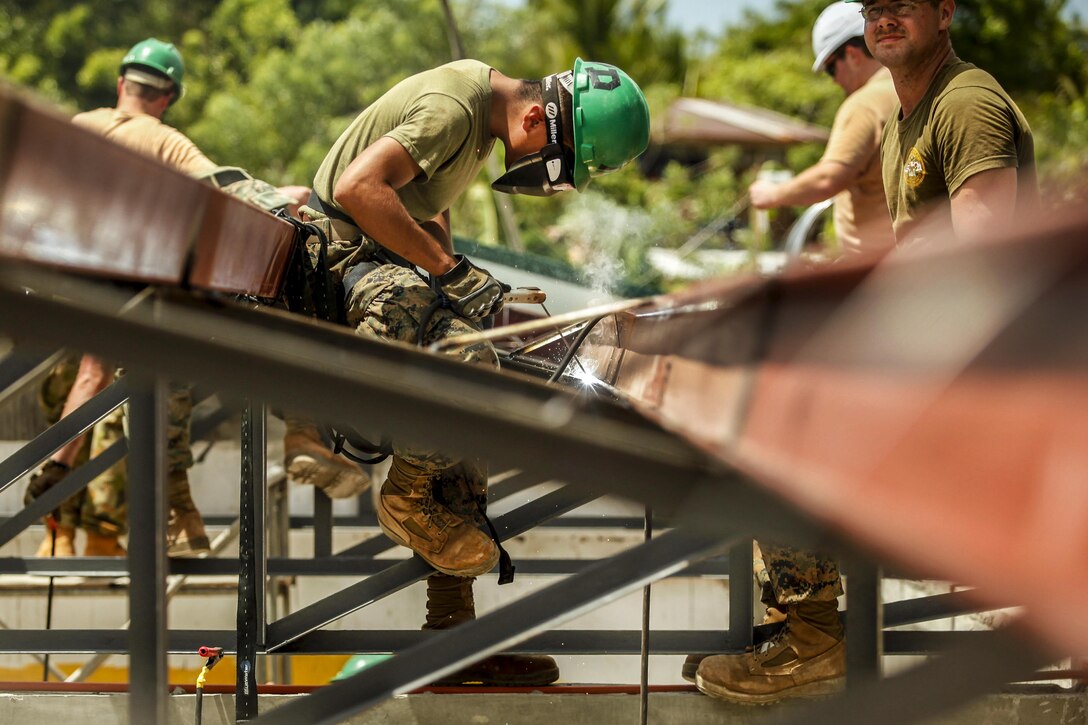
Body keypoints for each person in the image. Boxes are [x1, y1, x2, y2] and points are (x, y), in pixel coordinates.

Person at [301, 57, 649, 685]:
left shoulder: (482, 124)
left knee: (474, 408)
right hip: (343, 263)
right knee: (469, 366)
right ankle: (405, 496)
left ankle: (451, 636)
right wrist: (451, 276)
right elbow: (360, 190)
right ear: (539, 116)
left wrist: (458, 281)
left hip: (383, 265)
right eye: (558, 157)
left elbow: (424, 206)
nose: (543, 175)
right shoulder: (455, 108)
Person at [25, 38, 367, 559]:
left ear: (122, 84)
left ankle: (57, 498)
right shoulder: (165, 143)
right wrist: (281, 198)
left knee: (84, 382)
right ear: (167, 97)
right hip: (127, 294)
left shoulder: (79, 129)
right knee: (157, 372)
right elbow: (221, 190)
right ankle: (192, 495)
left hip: (59, 293)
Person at [855, 0, 1037, 246]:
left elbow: (983, 257)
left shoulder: (965, 104)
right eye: (873, 9)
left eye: (902, 6)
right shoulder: (899, 120)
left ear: (944, 13)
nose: (885, 20)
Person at [747, 1, 898, 254]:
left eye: (830, 69)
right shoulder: (906, 91)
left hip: (874, 270)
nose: (835, 81)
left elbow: (830, 177)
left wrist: (773, 194)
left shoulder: (864, 103)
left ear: (851, 54)